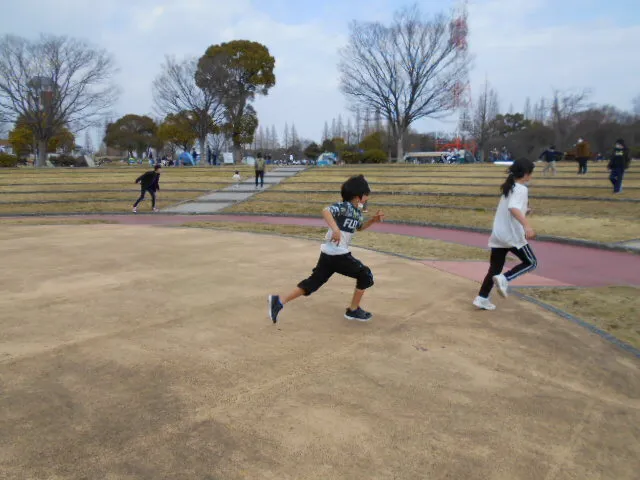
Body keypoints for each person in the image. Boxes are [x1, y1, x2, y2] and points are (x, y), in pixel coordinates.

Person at [268, 175, 385, 323]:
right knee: (365, 275)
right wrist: (335, 230)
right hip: (338, 254)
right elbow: (326, 211)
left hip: (329, 255)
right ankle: (353, 310)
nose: (368, 198)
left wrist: (374, 220)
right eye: (366, 195)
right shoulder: (345, 206)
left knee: (312, 283)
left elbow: (360, 227)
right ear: (357, 197)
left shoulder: (357, 212)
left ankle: (278, 301)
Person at [473, 158, 538, 311]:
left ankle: (482, 298)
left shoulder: (509, 188)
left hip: (498, 234)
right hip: (512, 236)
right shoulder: (521, 189)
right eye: (531, 174)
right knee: (531, 262)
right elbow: (513, 208)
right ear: (526, 174)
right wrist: (527, 226)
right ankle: (505, 278)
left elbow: (512, 208)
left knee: (494, 269)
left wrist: (525, 211)